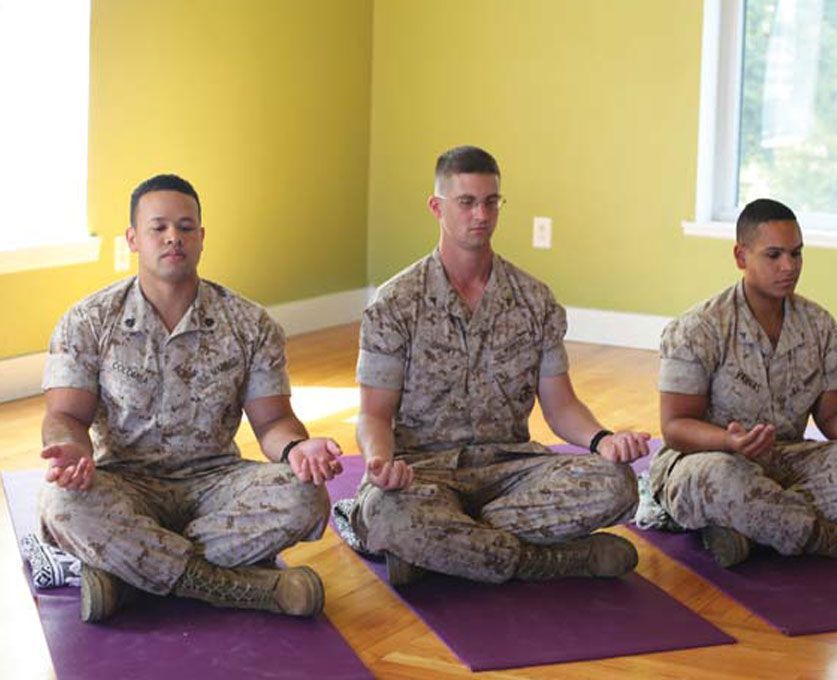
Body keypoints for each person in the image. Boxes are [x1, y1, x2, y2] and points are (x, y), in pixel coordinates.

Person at [38, 174, 344, 623]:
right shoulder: (88, 320)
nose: (173, 238)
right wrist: (72, 452)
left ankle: (129, 576)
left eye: (185, 227)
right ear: (133, 239)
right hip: (124, 483)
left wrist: (299, 449)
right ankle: (245, 588)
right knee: (61, 503)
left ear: (201, 238)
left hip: (216, 484)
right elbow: (65, 414)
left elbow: (273, 421)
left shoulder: (249, 323)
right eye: (158, 227)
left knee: (306, 498)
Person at [353, 146, 649, 585]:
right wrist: (382, 463)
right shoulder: (395, 304)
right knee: (384, 510)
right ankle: (553, 560)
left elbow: (560, 405)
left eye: (491, 202)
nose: (481, 214)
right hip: (424, 471)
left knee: (618, 484)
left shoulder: (534, 300)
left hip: (513, 470)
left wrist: (603, 440)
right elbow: (374, 414)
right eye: (467, 202)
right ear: (437, 207)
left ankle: (444, 549)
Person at [649, 198, 837, 569]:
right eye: (774, 255)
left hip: (786, 459)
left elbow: (835, 414)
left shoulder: (819, 326)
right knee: (722, 479)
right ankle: (828, 538)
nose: (789, 266)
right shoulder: (699, 329)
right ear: (740, 256)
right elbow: (674, 428)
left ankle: (748, 528)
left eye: (796, 254)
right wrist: (727, 441)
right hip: (710, 459)